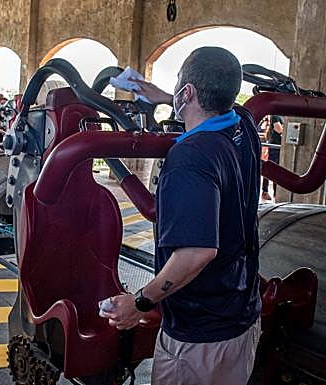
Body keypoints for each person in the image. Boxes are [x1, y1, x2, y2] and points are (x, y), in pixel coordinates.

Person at [99, 47, 261, 385]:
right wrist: (163, 96)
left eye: (178, 85)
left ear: (186, 93)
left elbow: (196, 252)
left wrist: (139, 303)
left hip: (199, 339)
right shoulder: (243, 126)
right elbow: (219, 100)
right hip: (241, 317)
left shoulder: (190, 157)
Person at [262, 115, 283, 201]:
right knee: (271, 168)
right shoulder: (276, 116)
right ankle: (265, 191)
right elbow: (279, 130)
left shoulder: (281, 116)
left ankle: (275, 192)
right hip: (275, 146)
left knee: (276, 169)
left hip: (278, 146)